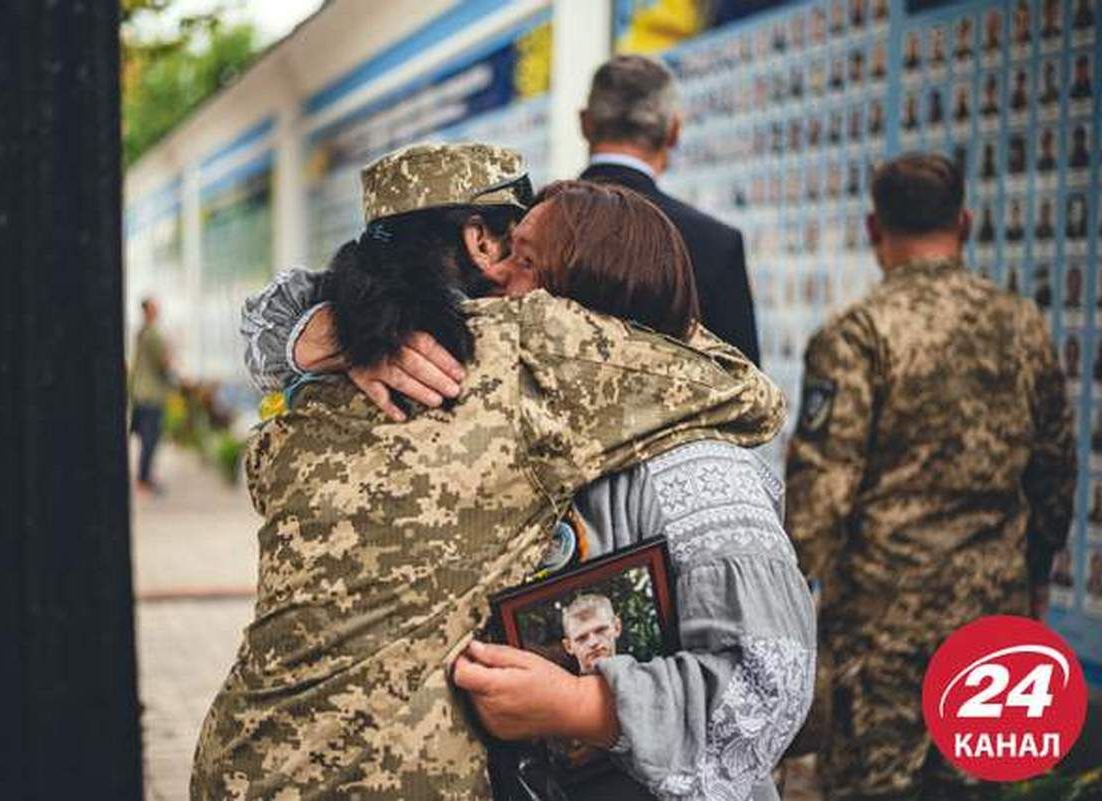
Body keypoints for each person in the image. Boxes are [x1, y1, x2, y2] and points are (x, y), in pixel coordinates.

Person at [202, 143, 814, 801]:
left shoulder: (688, 459)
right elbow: (746, 389)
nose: (501, 288)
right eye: (504, 253)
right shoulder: (500, 372)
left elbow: (768, 679)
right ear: (474, 238)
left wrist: (587, 705)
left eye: (526, 263)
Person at [786, 153, 1076, 801]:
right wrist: (1032, 579)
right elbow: (1055, 470)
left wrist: (789, 608)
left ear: (872, 228)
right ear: (965, 222)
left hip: (880, 625)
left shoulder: (856, 335)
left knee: (874, 789)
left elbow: (821, 495)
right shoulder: (1023, 327)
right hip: (990, 617)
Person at [578, 54, 761, 366]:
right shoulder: (716, 244)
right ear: (674, 131)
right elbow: (748, 391)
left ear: (584, 123)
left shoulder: (528, 225)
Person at [129, 297, 173, 492]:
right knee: (150, 438)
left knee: (146, 437)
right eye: (155, 307)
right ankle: (144, 479)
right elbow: (164, 362)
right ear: (148, 311)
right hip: (152, 393)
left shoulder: (140, 333)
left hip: (140, 392)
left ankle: (143, 478)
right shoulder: (153, 334)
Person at [560, 595, 621, 675]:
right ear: (568, 646)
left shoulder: (641, 679)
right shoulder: (561, 687)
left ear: (617, 627)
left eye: (601, 630)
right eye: (581, 638)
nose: (593, 642)